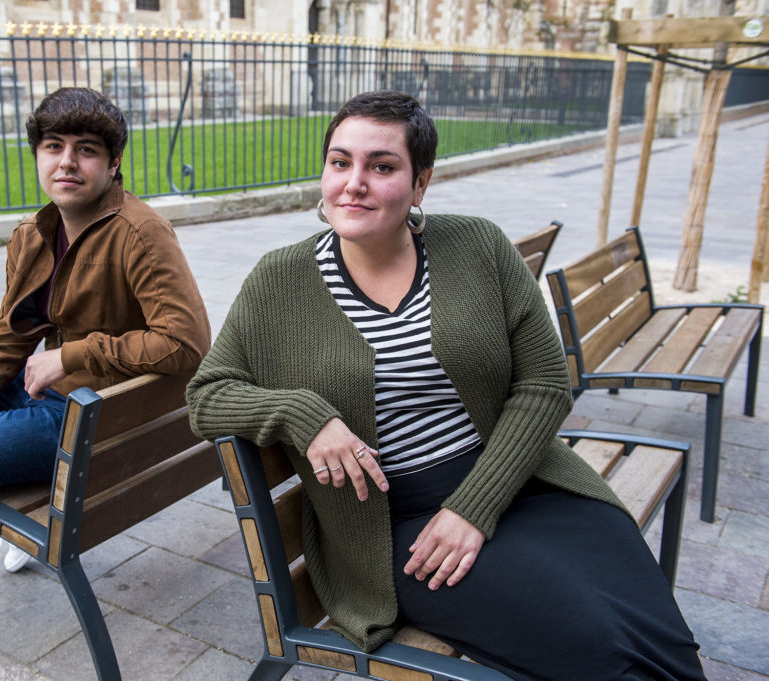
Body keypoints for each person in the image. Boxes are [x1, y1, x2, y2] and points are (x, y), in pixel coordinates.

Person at [185, 90, 706, 681]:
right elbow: (207, 395)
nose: (353, 183)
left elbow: (544, 383)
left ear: (420, 183)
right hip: (398, 530)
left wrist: (473, 507)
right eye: (339, 162)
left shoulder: (478, 246)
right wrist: (304, 415)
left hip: (521, 482)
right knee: (603, 650)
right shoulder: (279, 281)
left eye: (382, 166)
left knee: (661, 636)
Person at [0, 87, 211, 571]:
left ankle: (23, 485)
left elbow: (186, 343)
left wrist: (70, 355)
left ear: (113, 163)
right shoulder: (31, 235)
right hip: (44, 394)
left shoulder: (140, 232)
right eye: (53, 146)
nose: (67, 162)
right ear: (37, 155)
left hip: (99, 412)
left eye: (86, 149)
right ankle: (12, 470)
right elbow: (8, 339)